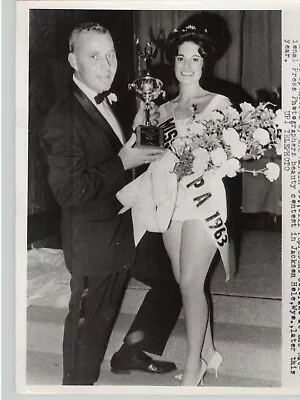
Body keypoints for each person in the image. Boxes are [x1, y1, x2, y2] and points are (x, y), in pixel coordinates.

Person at [40, 22, 181, 385]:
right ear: (73, 61)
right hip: (94, 240)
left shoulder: (108, 97)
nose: (107, 66)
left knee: (175, 281)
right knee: (89, 330)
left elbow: (116, 150)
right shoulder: (62, 118)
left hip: (128, 223)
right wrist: (123, 162)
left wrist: (138, 137)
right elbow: (70, 192)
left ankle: (132, 351)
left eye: (111, 55)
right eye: (94, 57)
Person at [117, 24, 235, 386]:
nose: (187, 65)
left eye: (195, 58)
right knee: (187, 285)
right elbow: (145, 155)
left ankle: (193, 368)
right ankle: (209, 352)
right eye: (181, 57)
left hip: (202, 202)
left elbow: (225, 157)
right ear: (174, 62)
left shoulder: (219, 103)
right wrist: (141, 121)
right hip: (170, 201)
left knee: (188, 283)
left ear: (205, 62)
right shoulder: (161, 107)